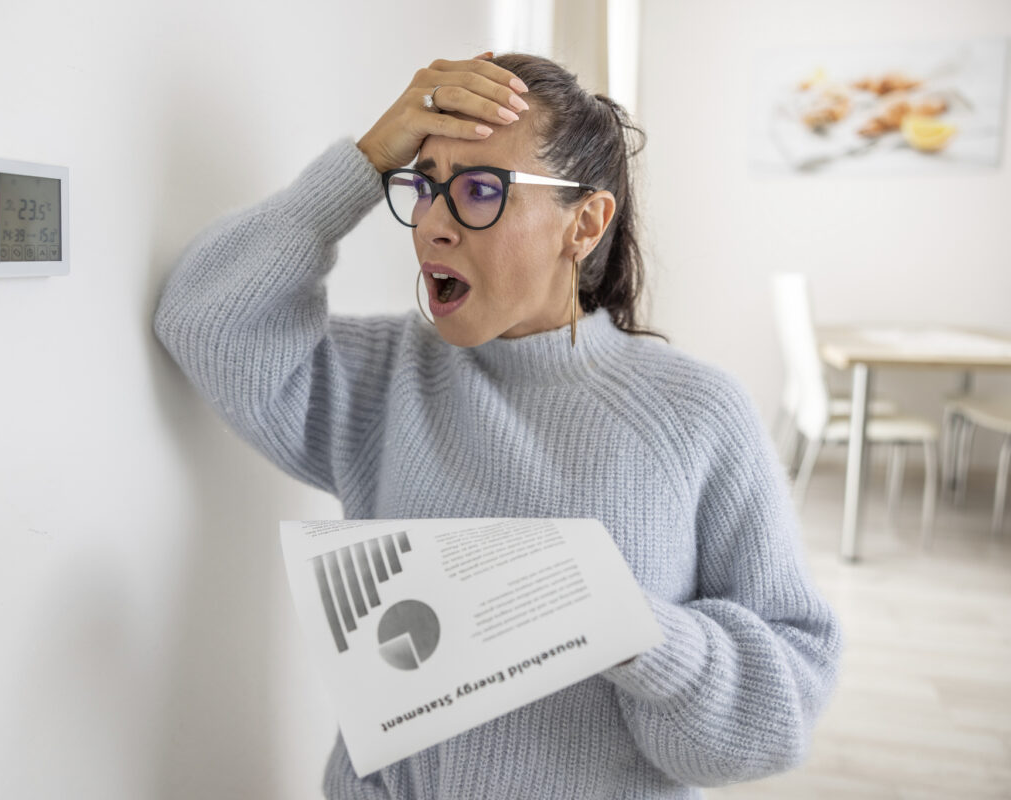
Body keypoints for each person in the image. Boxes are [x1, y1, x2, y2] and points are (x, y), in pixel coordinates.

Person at [154, 52, 842, 800]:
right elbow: (203, 320)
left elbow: (782, 713)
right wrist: (365, 163)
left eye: (480, 190)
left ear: (583, 223)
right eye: (422, 187)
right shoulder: (383, 380)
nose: (434, 228)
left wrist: (631, 627)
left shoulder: (698, 415)